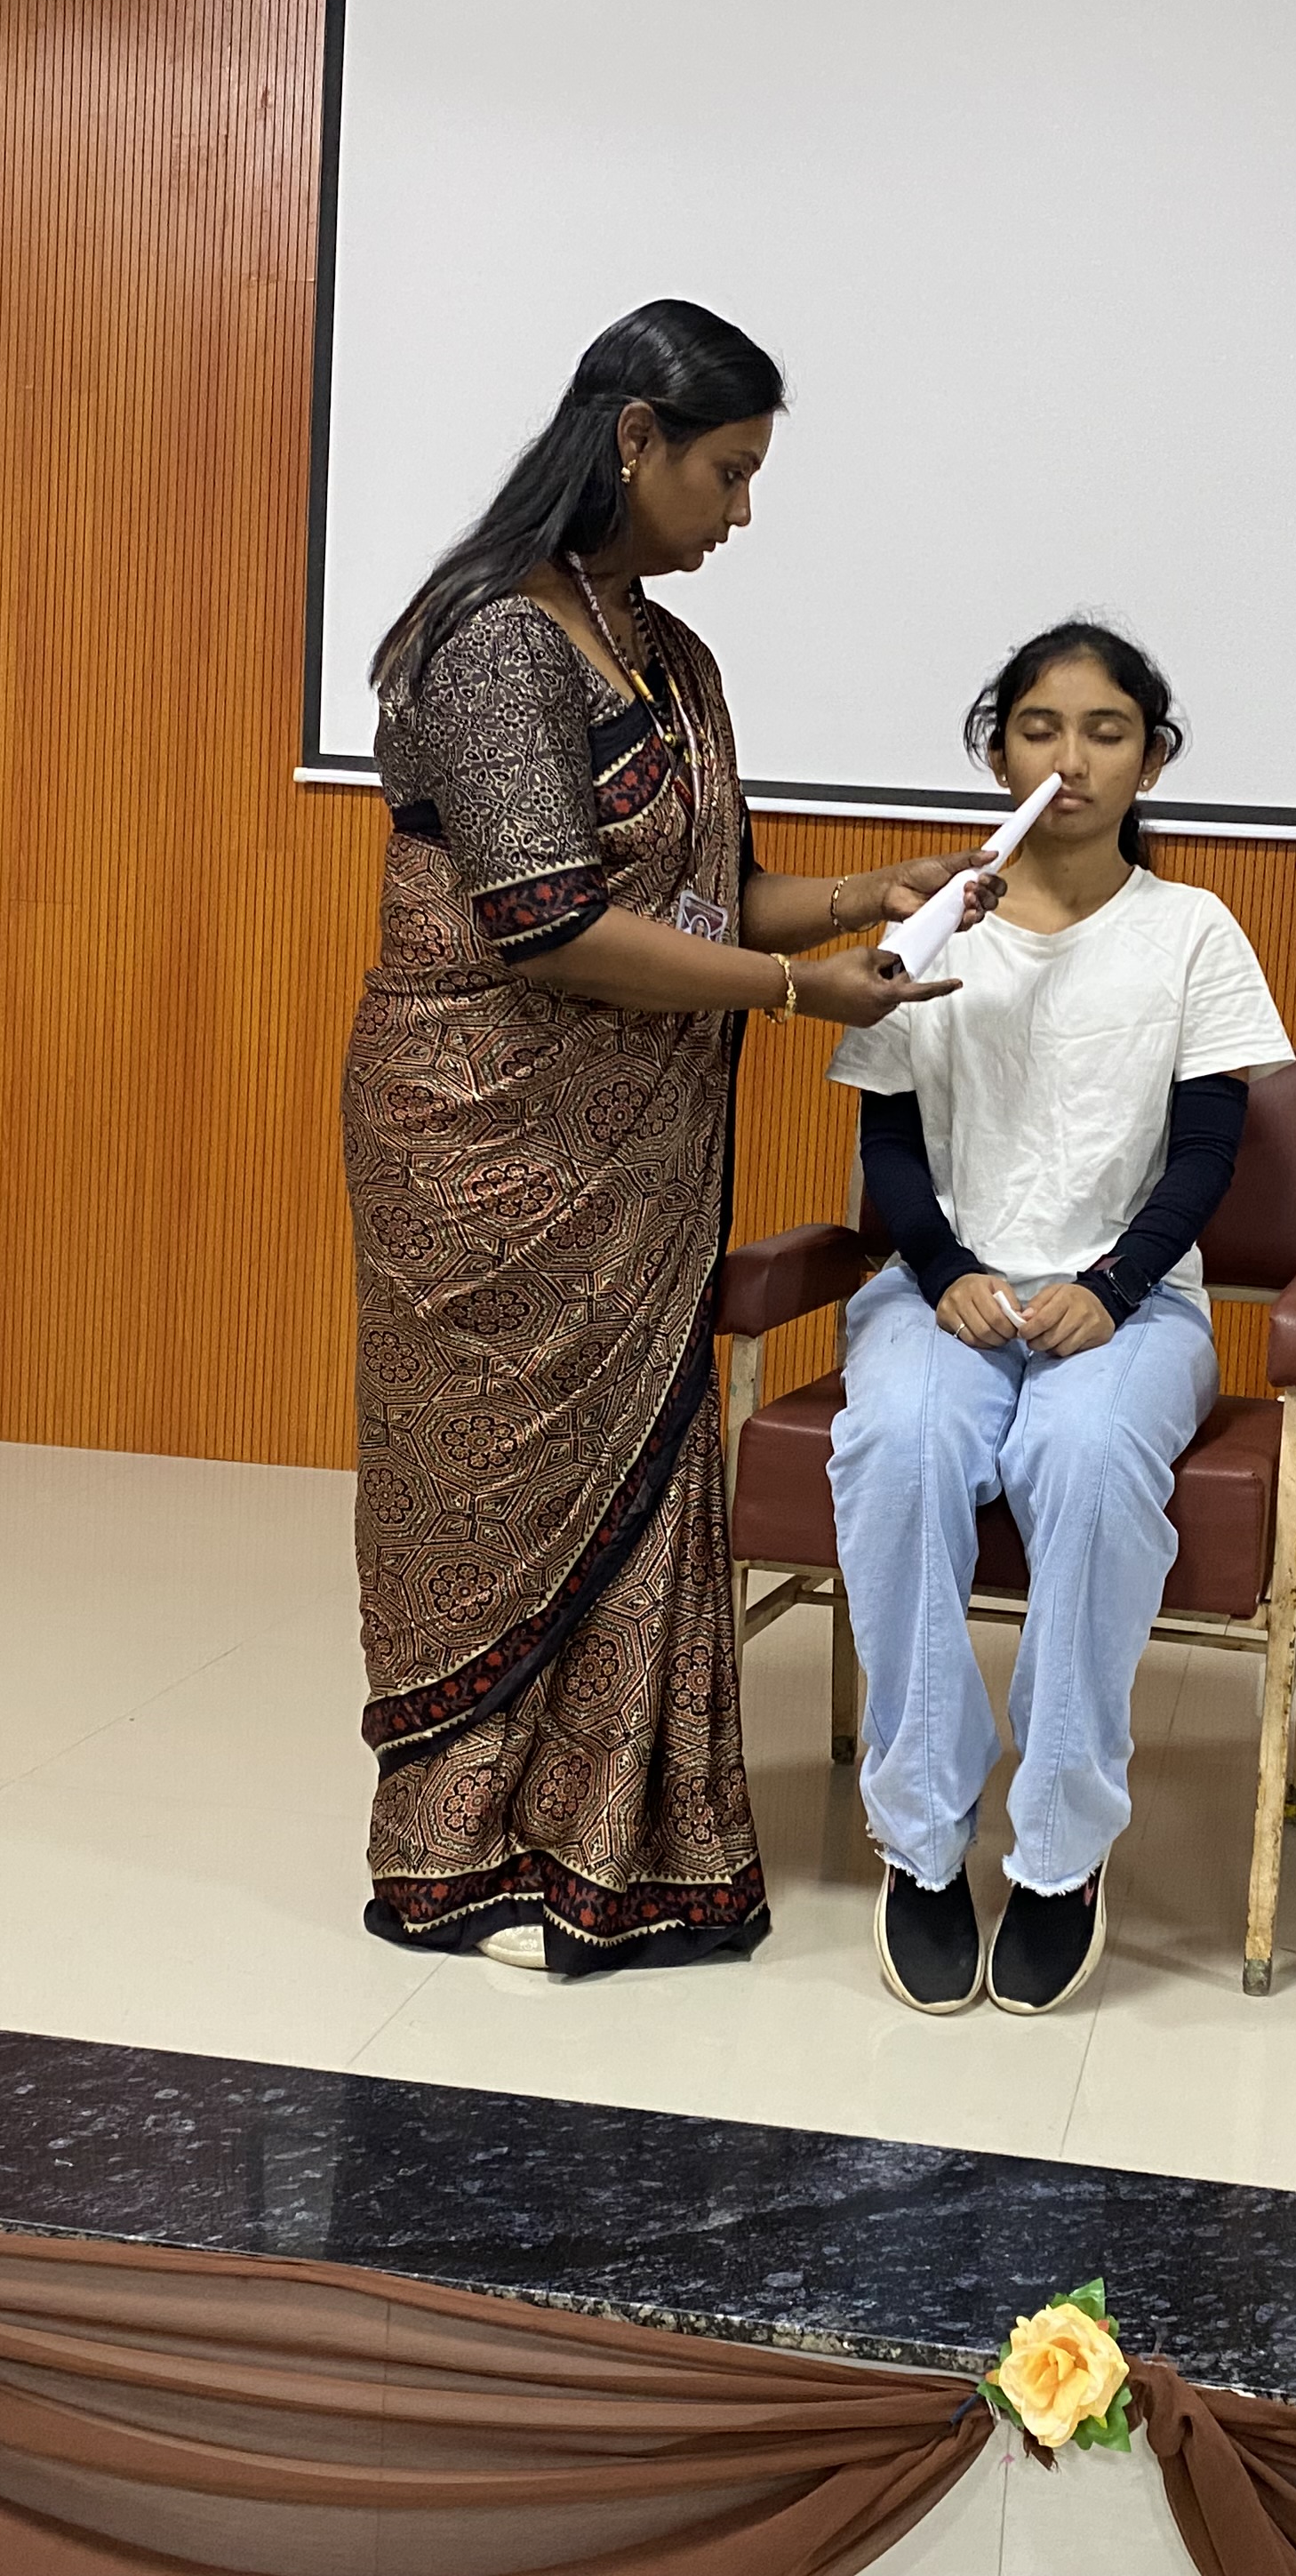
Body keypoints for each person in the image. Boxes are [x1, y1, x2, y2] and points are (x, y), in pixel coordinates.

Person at [348, 300, 994, 1978]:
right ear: (634, 438)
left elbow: (703, 893)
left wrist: (861, 898)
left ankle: (610, 1847)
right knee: (493, 1487)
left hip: (633, 1159)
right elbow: (549, 924)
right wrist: (793, 990)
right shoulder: (496, 638)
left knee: (638, 1469)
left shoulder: (667, 653)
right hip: (482, 1142)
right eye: (728, 470)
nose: (743, 510)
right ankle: (460, 1856)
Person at [823, 624, 1294, 2016]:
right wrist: (944, 1268)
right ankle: (921, 1839)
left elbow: (1209, 1149)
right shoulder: (936, 927)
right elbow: (889, 1140)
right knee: (897, 1449)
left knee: (1082, 1463)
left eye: (1105, 730)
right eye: (1039, 728)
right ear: (997, 753)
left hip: (1131, 1305)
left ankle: (1061, 1851)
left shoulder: (1192, 931)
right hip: (942, 1290)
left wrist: (1113, 1284)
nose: (1070, 758)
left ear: (1153, 757)